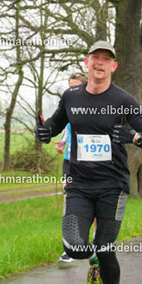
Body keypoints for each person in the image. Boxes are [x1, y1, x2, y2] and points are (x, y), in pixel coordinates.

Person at [35, 41, 142, 284]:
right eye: (95, 57)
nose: (100, 62)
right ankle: (92, 259)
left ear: (113, 66)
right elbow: (55, 124)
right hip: (78, 183)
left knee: (105, 248)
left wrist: (135, 137)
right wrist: (44, 132)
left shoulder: (124, 101)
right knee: (73, 247)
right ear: (87, 62)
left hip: (112, 186)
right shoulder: (72, 97)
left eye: (106, 59)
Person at [55, 72, 89, 265]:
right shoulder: (67, 105)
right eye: (70, 87)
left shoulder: (95, 107)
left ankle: (96, 242)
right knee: (68, 200)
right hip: (70, 162)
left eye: (76, 86)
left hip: (90, 163)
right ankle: (69, 248)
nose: (72, 90)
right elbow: (66, 129)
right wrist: (62, 142)